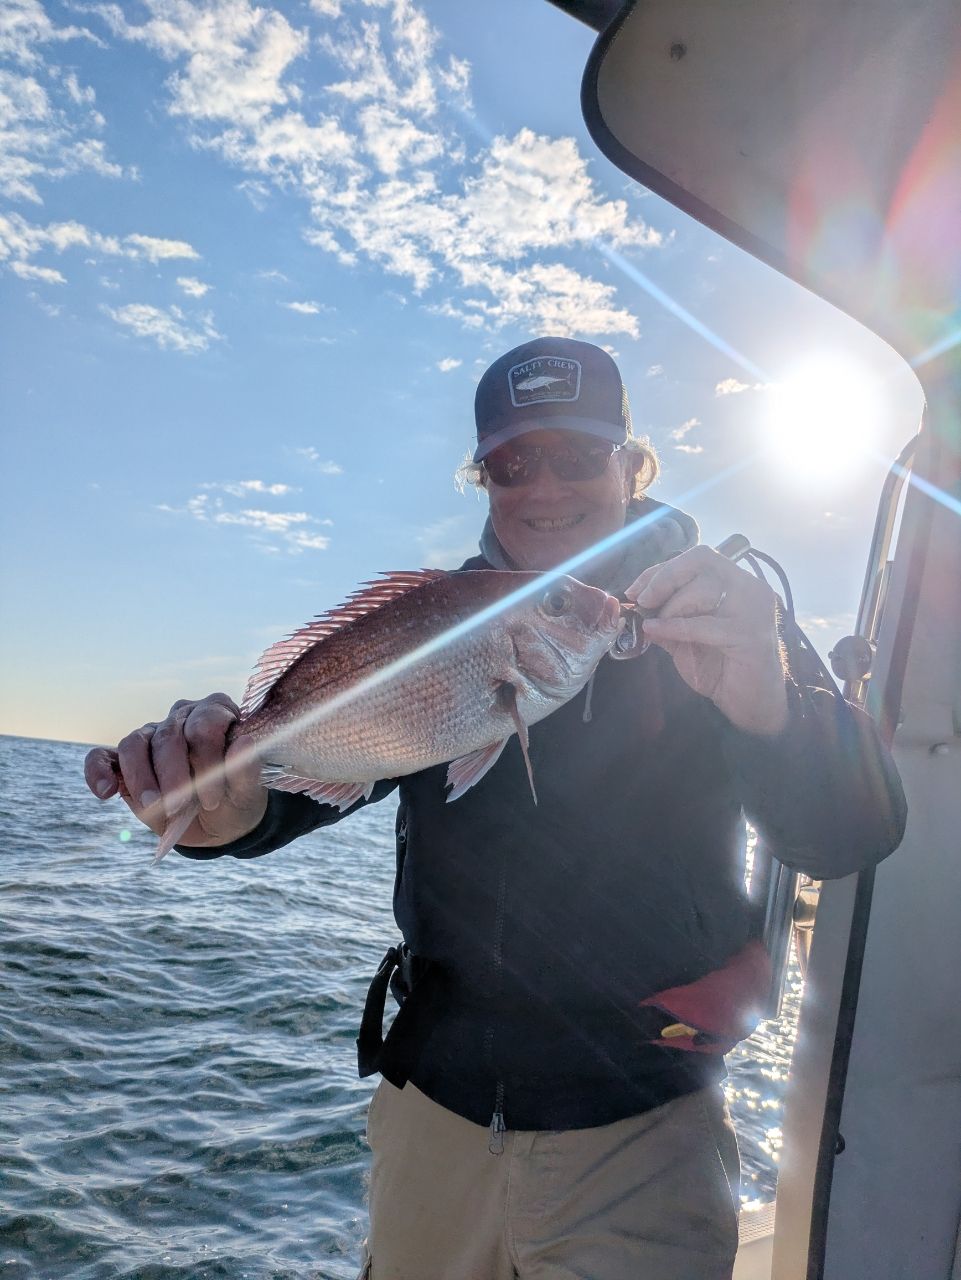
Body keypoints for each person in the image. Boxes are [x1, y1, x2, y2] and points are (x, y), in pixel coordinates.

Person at [85, 337, 907, 1280]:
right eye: (515, 462)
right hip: (432, 1110)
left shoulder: (727, 609)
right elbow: (310, 786)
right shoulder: (443, 618)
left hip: (639, 1130)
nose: (546, 485)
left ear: (631, 466)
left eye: (579, 455)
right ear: (483, 479)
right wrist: (223, 815)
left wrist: (764, 700)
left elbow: (854, 833)